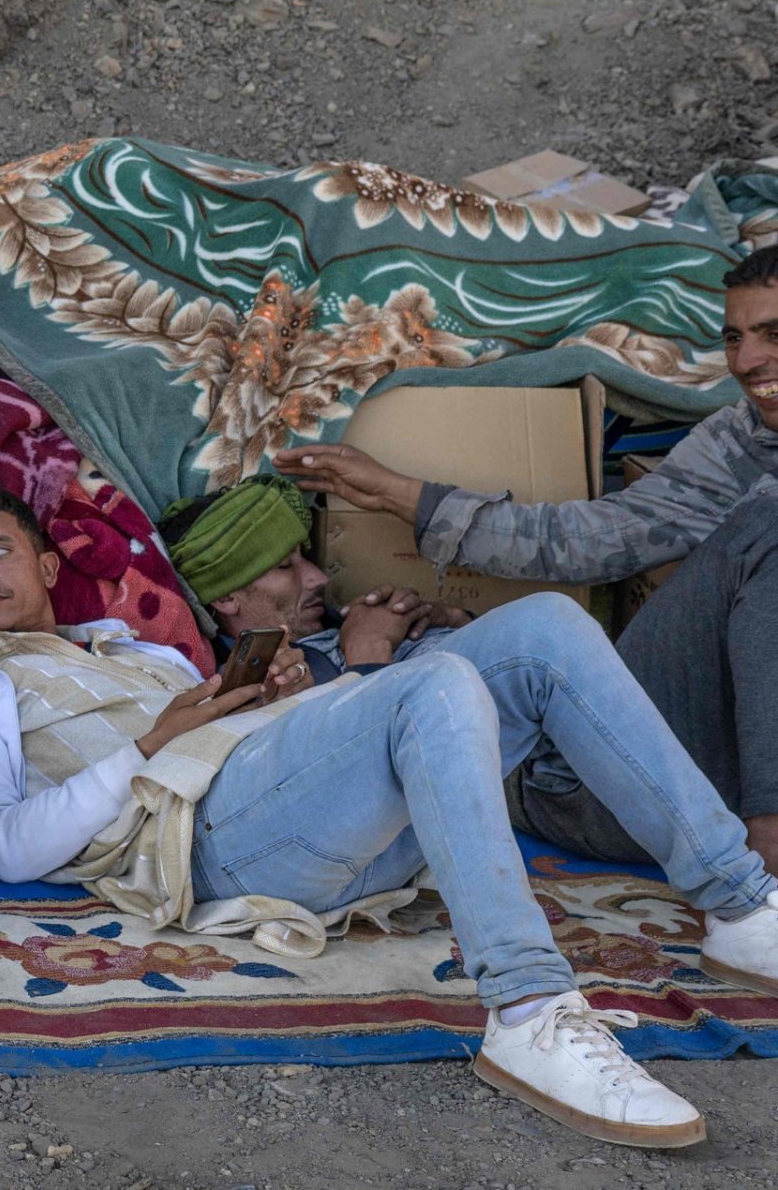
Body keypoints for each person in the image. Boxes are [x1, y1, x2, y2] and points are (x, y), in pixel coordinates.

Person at [0, 486, 778, 1150]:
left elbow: (248, 744)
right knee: (432, 683)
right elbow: (4, 847)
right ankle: (529, 1010)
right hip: (204, 846)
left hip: (298, 820)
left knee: (544, 627)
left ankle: (739, 904)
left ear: (47, 568)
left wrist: (283, 702)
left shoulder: (136, 650)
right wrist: (151, 744)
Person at [278, 244, 778, 871]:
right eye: (735, 338)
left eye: (772, 335)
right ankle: (766, 875)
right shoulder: (742, 443)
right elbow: (591, 539)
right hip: (605, 787)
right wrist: (400, 494)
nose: (748, 361)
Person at [158, 472, 462, 685]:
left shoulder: (338, 624)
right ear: (226, 598)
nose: (318, 578)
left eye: (305, 558)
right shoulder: (260, 690)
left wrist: (448, 617)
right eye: (285, 567)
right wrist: (368, 649)